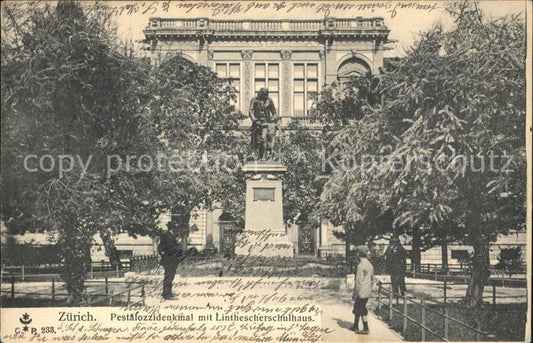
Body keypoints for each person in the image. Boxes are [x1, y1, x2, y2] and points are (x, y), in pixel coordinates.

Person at [249, 87, 278, 159]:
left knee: (264, 139)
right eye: (264, 95)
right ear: (261, 94)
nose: (266, 96)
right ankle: (256, 156)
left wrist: (272, 119)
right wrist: (254, 120)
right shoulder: (254, 100)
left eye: (266, 95)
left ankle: (264, 156)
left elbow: (274, 112)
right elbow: (250, 111)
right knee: (255, 140)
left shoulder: (269, 100)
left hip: (265, 123)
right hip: (257, 122)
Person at [352, 245, 375, 335]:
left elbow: (358, 282)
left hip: (361, 291)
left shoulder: (361, 266)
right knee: (358, 307)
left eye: (356, 253)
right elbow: (372, 279)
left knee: (361, 309)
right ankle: (355, 325)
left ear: (358, 254)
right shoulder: (370, 264)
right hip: (367, 291)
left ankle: (366, 328)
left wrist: (355, 293)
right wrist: (370, 289)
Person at [158, 225, 183, 300]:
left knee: (170, 277)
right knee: (168, 277)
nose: (177, 229)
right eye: (176, 228)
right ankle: (167, 295)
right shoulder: (166, 235)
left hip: (173, 260)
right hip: (168, 260)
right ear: (172, 228)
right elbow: (161, 247)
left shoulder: (173, 235)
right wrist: (163, 254)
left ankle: (167, 293)